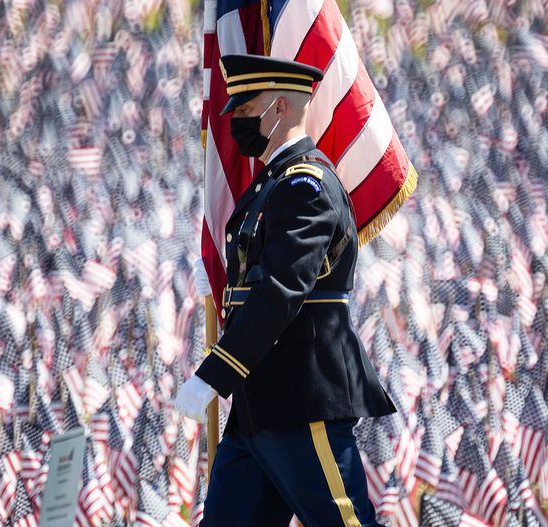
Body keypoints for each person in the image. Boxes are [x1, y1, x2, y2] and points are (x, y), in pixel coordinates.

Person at [174, 54, 396, 526]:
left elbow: (280, 292)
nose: (236, 120)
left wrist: (215, 374)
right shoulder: (273, 185)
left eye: (245, 108)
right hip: (259, 404)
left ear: (279, 107)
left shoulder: (305, 187)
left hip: (300, 398)